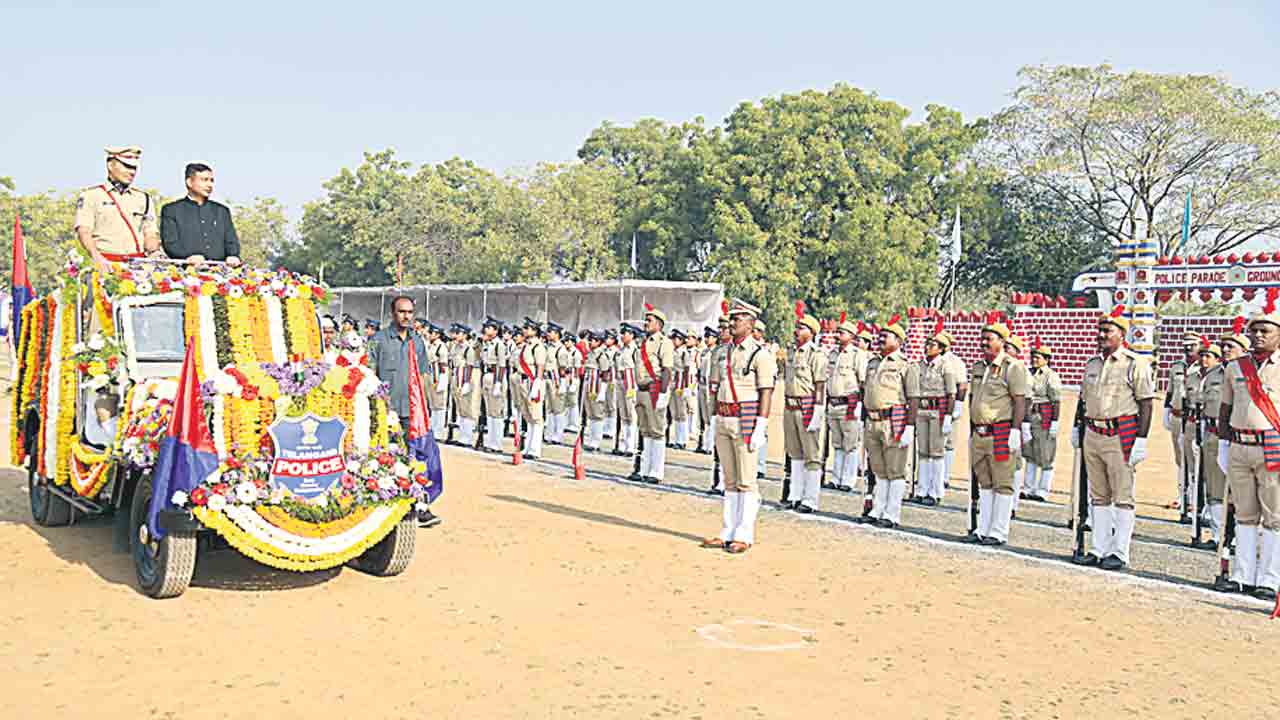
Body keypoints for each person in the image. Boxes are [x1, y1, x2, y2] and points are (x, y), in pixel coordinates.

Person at [1072, 305, 1155, 571]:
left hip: (1120, 434)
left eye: (1107, 330)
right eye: (1100, 330)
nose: (1101, 334)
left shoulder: (1135, 364)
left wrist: (1141, 439)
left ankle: (1119, 552)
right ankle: (1098, 548)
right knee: (1098, 494)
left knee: (1122, 495)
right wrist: (1076, 427)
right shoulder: (1092, 363)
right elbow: (1083, 399)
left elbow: (1146, 404)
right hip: (1093, 433)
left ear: (1121, 334)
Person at [1217, 293, 1280, 599]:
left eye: (1265, 331)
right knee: (1243, 513)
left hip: (1272, 447)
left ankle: (1270, 579)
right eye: (1254, 330)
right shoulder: (1235, 367)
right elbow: (1225, 409)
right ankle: (1243, 575)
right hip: (1240, 446)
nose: (1257, 335)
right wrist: (1224, 444)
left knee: (1274, 516)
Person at [701, 298, 776, 554]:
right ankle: (727, 530)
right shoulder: (722, 352)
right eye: (731, 318)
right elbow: (715, 387)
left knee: (746, 480)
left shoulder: (760, 354)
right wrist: (712, 418)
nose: (731, 323)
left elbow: (766, 392)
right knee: (729, 479)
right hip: (723, 416)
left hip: (745, 418)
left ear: (751, 323)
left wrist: (760, 426)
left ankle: (744, 533)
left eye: (738, 319)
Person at [367, 296, 440, 528]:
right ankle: (383, 506)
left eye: (410, 312)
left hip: (412, 412)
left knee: (415, 458)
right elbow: (368, 376)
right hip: (385, 411)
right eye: (402, 312)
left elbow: (423, 376)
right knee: (384, 457)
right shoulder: (378, 340)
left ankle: (418, 505)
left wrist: (425, 408)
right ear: (392, 313)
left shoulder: (416, 342)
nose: (406, 316)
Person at [964, 317, 1029, 546]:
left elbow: (1020, 401)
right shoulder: (978, 366)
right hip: (980, 433)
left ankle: (999, 530)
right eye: (982, 338)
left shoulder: (1013, 367)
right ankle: (983, 528)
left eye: (989, 339)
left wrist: (1016, 430)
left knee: (1002, 483)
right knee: (985, 482)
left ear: (1002, 341)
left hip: (1000, 431)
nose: (983, 342)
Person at [860, 315, 917, 529]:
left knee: (895, 469)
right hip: (872, 420)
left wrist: (909, 427)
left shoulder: (906, 365)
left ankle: (892, 513)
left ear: (899, 341)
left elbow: (913, 398)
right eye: (881, 335)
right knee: (878, 469)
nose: (881, 338)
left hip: (893, 421)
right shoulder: (873, 362)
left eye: (887, 336)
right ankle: (877, 508)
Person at [75, 146, 161, 273]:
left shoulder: (144, 198)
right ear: (110, 165)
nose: (132, 172)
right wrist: (97, 257)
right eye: (127, 166)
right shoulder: (91, 196)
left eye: (134, 168)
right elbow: (84, 231)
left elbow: (150, 232)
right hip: (107, 265)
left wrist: (155, 251)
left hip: (138, 267)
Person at [782, 304, 828, 512]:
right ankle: (795, 494)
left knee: (812, 455)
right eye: (797, 326)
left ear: (811, 332)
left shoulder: (815, 354)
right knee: (795, 453)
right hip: (790, 407)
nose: (796, 330)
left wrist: (818, 411)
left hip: (807, 407)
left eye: (801, 327)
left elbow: (819, 385)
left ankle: (810, 499)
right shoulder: (791, 352)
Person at [909, 321, 959, 507]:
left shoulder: (946, 366)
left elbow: (951, 393)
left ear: (941, 349)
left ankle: (935, 491)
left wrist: (948, 416)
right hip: (922, 410)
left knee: (936, 453)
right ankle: (921, 489)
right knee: (923, 452)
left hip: (938, 411)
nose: (927, 347)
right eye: (927, 344)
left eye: (932, 345)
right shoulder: (920, 365)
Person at [159, 163, 241, 264]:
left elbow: (231, 241)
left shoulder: (222, 211)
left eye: (211, 181)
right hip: (184, 272)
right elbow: (170, 243)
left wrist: (233, 255)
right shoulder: (171, 210)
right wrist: (187, 256)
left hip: (221, 271)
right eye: (204, 180)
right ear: (189, 182)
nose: (209, 185)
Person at [826, 316, 867, 494]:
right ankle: (836, 478)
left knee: (850, 444)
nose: (838, 335)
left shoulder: (858, 355)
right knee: (837, 443)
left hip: (849, 404)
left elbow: (863, 381)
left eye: (842, 333)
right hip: (833, 404)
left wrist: (860, 405)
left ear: (851, 336)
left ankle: (848, 480)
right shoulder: (833, 353)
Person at [635, 306, 675, 484]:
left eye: (649, 320)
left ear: (658, 324)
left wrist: (664, 393)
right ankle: (644, 468)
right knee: (645, 430)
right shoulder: (643, 342)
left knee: (657, 431)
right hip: (641, 389)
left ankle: (656, 471)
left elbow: (666, 369)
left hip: (654, 389)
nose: (646, 323)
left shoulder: (663, 342)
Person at [1021, 338, 1063, 503]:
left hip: (1043, 417)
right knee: (1030, 453)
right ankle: (1028, 487)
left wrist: (1055, 422)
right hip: (1029, 416)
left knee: (1045, 454)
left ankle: (1043, 490)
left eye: (1038, 357)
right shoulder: (1028, 373)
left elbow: (1056, 401)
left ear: (1046, 359)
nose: (1034, 359)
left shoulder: (1050, 376)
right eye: (1033, 356)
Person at [515, 317, 549, 459]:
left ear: (534, 331)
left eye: (527, 328)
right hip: (522, 381)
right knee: (527, 415)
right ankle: (527, 447)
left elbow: (540, 366)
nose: (524, 330)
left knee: (536, 416)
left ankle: (535, 449)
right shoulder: (526, 345)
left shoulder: (538, 347)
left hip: (532, 381)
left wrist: (537, 384)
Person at [479, 317, 509, 453]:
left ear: (496, 330)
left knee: (496, 412)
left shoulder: (499, 345)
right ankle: (490, 441)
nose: (486, 330)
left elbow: (501, 365)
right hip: (486, 375)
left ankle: (497, 443)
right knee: (490, 411)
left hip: (496, 376)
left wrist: (498, 383)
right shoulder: (487, 343)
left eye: (489, 328)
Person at [450, 324, 481, 446]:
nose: (455, 335)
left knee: (468, 407)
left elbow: (469, 366)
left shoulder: (469, 349)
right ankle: (462, 436)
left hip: (465, 377)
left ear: (464, 335)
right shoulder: (455, 347)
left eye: (458, 333)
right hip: (457, 376)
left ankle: (467, 437)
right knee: (460, 407)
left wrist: (467, 382)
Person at [616, 324, 640, 458]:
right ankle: (622, 444)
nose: (622, 336)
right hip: (620, 381)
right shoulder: (621, 350)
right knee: (623, 413)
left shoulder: (635, 350)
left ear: (632, 335)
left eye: (625, 333)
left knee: (631, 414)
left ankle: (630, 446)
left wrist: (634, 386)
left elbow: (637, 368)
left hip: (630, 382)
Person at [582, 331, 609, 451]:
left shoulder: (601, 355)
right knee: (590, 413)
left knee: (597, 413)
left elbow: (605, 373)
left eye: (592, 340)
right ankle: (591, 438)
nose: (589, 342)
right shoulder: (590, 353)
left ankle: (596, 441)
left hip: (596, 386)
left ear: (598, 342)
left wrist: (603, 390)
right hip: (589, 385)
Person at [541, 323, 566, 445]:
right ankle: (549, 433)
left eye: (551, 332)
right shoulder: (547, 347)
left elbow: (563, 369)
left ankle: (558, 434)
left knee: (558, 408)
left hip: (556, 380)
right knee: (549, 407)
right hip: (546, 379)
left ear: (557, 334)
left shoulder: (560, 349)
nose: (548, 334)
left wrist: (563, 384)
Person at [697, 326, 720, 455]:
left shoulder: (716, 352)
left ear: (715, 339)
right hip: (702, 385)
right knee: (704, 416)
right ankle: (704, 443)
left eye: (709, 337)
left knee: (711, 416)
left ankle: (710, 445)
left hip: (711, 387)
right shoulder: (704, 352)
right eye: (705, 337)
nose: (706, 339)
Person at [425, 323, 450, 441]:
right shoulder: (431, 346)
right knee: (433, 404)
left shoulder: (441, 347)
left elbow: (444, 365)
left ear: (437, 335)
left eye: (431, 333)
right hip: (431, 375)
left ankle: (439, 431)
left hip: (438, 376)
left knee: (439, 405)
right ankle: (433, 429)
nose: (429, 335)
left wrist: (443, 380)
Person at [669, 328, 691, 449]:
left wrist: (686, 387)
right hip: (672, 383)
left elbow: (687, 370)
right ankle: (677, 438)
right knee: (675, 413)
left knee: (681, 413)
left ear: (681, 340)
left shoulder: (684, 352)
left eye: (675, 339)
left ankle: (682, 440)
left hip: (680, 383)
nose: (673, 341)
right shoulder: (673, 351)